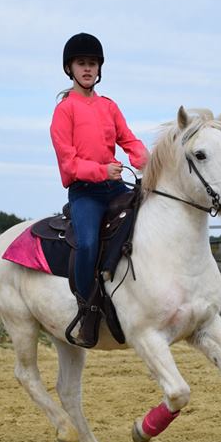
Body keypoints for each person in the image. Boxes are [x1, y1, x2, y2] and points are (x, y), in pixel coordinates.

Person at [50, 32, 149, 348]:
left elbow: (128, 138)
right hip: (85, 193)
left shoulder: (109, 106)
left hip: (114, 186)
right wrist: (101, 170)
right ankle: (86, 308)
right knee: (89, 242)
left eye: (92, 63)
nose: (88, 69)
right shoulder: (64, 111)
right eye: (81, 63)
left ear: (99, 68)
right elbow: (68, 165)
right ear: (70, 68)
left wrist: (143, 158)